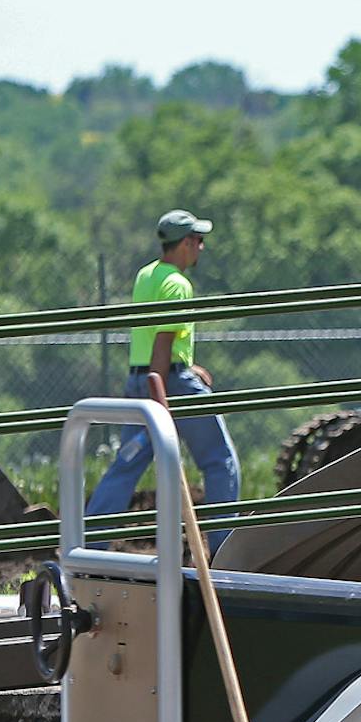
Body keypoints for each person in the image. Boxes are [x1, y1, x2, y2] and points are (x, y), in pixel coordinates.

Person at [87, 209, 241, 520]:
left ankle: (88, 544)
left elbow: (154, 337)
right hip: (168, 383)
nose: (202, 247)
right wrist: (162, 394)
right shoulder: (178, 284)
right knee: (219, 460)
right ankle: (226, 548)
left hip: (140, 379)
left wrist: (183, 364)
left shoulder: (146, 275)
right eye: (198, 240)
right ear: (185, 243)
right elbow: (163, 340)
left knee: (126, 464)